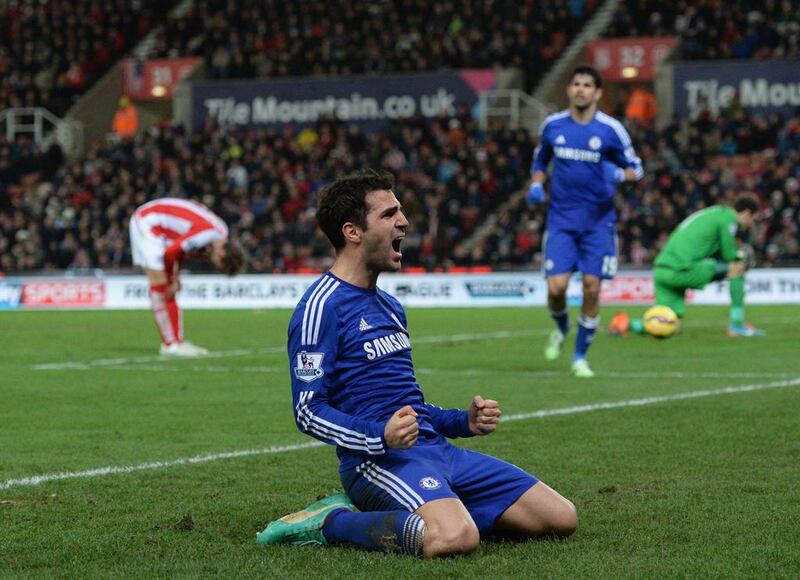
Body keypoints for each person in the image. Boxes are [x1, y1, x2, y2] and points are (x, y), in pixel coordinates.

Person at [257, 170, 577, 557]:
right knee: (456, 538)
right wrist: (379, 437)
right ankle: (330, 521)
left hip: (436, 451)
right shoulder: (320, 307)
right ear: (352, 232)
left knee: (561, 518)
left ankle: (440, 507)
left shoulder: (390, 307)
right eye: (389, 214)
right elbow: (308, 412)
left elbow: (410, 404)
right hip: (375, 462)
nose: (404, 222)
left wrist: (464, 422)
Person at [526, 65, 644, 378]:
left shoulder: (611, 130)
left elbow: (637, 169)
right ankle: (562, 328)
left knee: (592, 288)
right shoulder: (553, 126)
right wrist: (536, 184)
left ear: (597, 92)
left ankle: (580, 357)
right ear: (569, 89)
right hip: (561, 220)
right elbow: (540, 162)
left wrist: (618, 174)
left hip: (598, 223)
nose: (581, 89)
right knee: (556, 288)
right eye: (576, 83)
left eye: (587, 85)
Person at [609, 195, 765, 337]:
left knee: (666, 322)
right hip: (681, 269)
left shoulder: (713, 214)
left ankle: (625, 324)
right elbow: (729, 255)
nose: (751, 224)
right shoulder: (729, 218)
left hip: (662, 269)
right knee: (736, 268)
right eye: (753, 219)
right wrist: (741, 255)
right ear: (746, 213)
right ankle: (737, 325)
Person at [128, 197, 244, 356]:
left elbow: (182, 247)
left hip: (162, 225)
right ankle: (171, 344)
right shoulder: (207, 234)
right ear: (223, 252)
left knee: (168, 286)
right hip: (150, 222)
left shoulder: (221, 231)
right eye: (218, 262)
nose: (212, 261)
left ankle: (176, 341)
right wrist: (172, 278)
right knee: (162, 285)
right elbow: (171, 253)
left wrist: (175, 276)